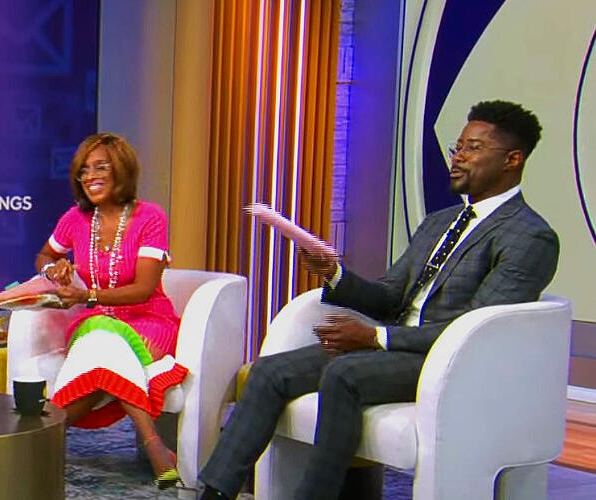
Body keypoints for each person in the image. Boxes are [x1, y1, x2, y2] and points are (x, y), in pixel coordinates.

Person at [196, 100, 559, 500]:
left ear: (512, 159)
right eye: (457, 147)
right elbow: (389, 296)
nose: (457, 158)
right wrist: (333, 272)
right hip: (392, 347)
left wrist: (376, 338)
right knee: (269, 371)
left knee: (343, 373)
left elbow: (476, 329)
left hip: (448, 361)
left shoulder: (529, 236)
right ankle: (215, 493)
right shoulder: (439, 222)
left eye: (472, 148)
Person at [34, 133, 188, 489]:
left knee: (102, 342)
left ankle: (40, 439)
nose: (90, 176)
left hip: (148, 320)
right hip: (96, 320)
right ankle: (154, 445)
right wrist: (53, 270)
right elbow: (45, 254)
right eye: (83, 170)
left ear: (121, 169)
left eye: (100, 167)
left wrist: (86, 294)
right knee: (103, 339)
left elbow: (144, 288)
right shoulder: (75, 218)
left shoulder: (150, 217)